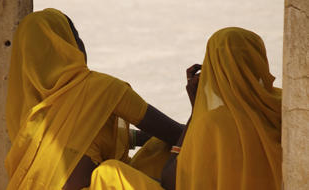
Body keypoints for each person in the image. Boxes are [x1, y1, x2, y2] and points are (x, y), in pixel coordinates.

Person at [4, 8, 184, 190]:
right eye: (77, 36)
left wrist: (136, 138)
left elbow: (75, 141)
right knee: (154, 150)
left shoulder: (24, 107)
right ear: (69, 44)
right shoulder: (103, 88)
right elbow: (178, 134)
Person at [89, 27, 282, 190]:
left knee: (108, 173)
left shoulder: (212, 123)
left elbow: (170, 181)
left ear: (212, 68)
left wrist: (196, 112)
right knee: (157, 145)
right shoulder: (283, 106)